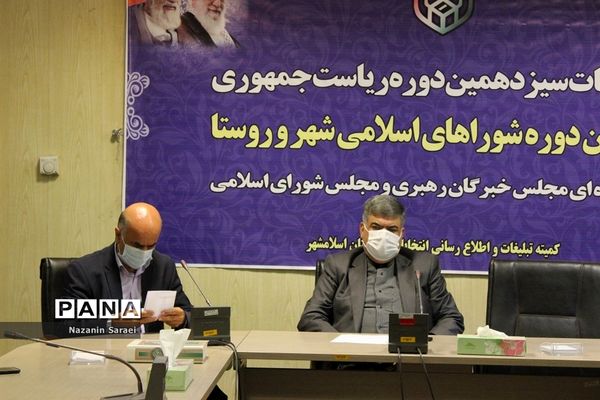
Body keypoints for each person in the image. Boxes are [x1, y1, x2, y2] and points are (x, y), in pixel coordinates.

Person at [298, 195, 464, 336]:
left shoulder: (424, 265)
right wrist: (341, 344)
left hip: (408, 359)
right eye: (376, 227)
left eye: (392, 229)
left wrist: (426, 344)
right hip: (351, 359)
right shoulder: (338, 265)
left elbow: (451, 318)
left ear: (401, 234)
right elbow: (311, 317)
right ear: (362, 230)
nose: (384, 235)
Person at [63, 202, 192, 333]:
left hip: (149, 345)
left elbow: (190, 314)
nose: (144, 252)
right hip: (107, 344)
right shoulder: (84, 270)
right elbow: (67, 324)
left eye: (151, 246)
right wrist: (111, 323)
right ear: (118, 235)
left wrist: (183, 318)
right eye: (137, 245)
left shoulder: (163, 267)